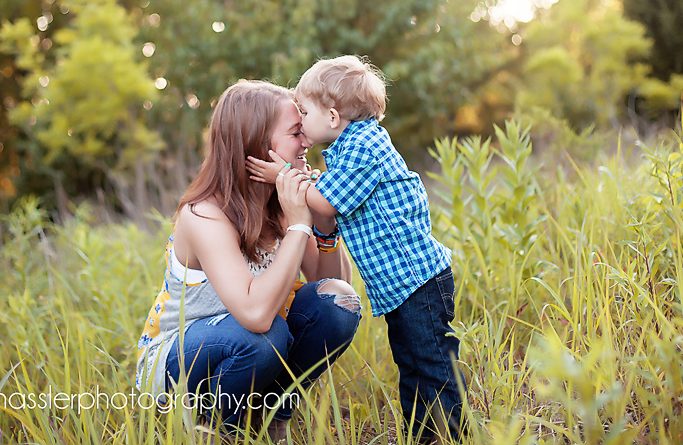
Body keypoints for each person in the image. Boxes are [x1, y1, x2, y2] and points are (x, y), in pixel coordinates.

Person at [248, 56, 465, 441]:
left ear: (332, 116)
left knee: (430, 361)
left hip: (418, 282)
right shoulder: (351, 148)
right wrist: (310, 184)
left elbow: (327, 205)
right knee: (411, 362)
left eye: (305, 111)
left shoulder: (364, 146)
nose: (301, 121)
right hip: (404, 286)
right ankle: (423, 435)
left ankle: (449, 433)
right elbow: (326, 200)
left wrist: (284, 174)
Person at [135, 80, 361, 439]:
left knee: (339, 301)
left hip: (249, 340)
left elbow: (327, 281)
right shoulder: (204, 214)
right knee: (263, 334)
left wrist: (323, 222)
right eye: (295, 132)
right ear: (256, 143)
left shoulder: (283, 200)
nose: (307, 142)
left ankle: (273, 419)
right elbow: (255, 315)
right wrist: (300, 225)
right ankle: (219, 428)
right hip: (178, 359)